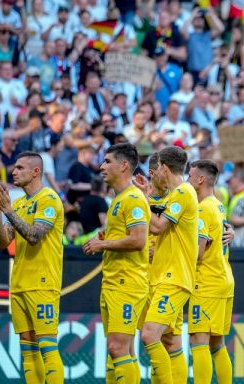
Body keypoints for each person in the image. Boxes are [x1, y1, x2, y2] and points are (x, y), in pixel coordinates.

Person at [0, 152, 65, 384]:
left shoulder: (49, 199)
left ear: (36, 172)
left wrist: (8, 211)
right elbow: (2, 242)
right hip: (20, 282)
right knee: (28, 349)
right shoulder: (20, 203)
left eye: (20, 168)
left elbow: (34, 236)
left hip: (42, 282)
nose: (14, 171)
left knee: (47, 346)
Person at [82, 143, 150, 384]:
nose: (101, 167)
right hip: (114, 281)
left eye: (107, 161)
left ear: (123, 166)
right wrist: (106, 239)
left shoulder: (133, 199)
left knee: (117, 349)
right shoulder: (119, 200)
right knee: (120, 351)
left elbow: (139, 240)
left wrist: (103, 245)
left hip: (127, 282)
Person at [134, 146, 198, 384]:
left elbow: (158, 226)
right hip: (164, 276)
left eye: (156, 168)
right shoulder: (176, 195)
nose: (153, 174)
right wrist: (147, 196)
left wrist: (140, 199)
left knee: (150, 335)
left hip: (175, 278)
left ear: (163, 167)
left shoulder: (183, 192)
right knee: (169, 341)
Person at [187, 159, 235, 384]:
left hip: (207, 281)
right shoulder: (218, 205)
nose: (187, 179)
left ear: (200, 179)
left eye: (190, 175)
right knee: (217, 343)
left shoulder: (203, 209)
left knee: (199, 340)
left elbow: (198, 253)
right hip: (223, 277)